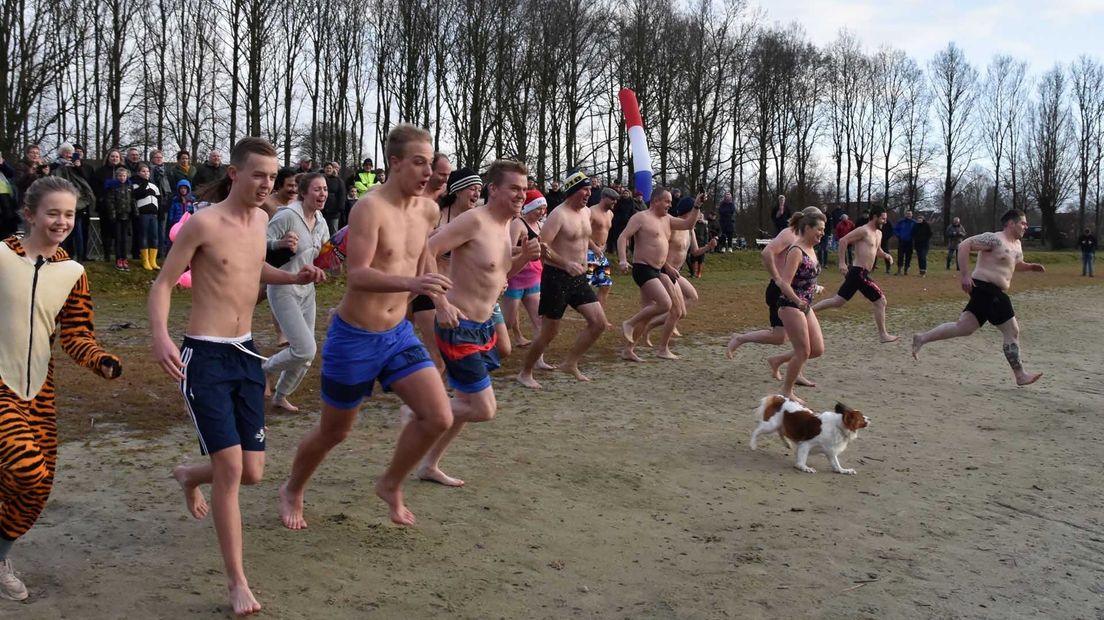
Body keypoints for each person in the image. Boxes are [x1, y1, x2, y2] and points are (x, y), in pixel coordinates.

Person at [149, 137, 325, 617]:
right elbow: (163, 283)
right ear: (235, 173)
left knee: (252, 472)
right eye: (258, 175)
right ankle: (237, 583)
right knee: (230, 470)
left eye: (272, 177)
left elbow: (252, 269)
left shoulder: (262, 220)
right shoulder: (204, 223)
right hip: (204, 356)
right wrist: (162, 337)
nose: (267, 184)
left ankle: (189, 474)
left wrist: (293, 277)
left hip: (246, 353)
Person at [278, 124, 454, 533]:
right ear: (394, 163)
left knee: (438, 416)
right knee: (334, 431)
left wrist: (439, 296)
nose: (427, 172)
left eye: (430, 162)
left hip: (397, 335)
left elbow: (422, 253)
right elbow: (356, 274)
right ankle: (293, 488)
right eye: (418, 162)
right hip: (355, 336)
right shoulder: (369, 208)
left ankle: (390, 484)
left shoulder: (428, 210)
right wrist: (414, 285)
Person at [0, 177, 122, 602]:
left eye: (69, 214)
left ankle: (0, 559)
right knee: (24, 467)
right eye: (53, 213)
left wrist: (99, 360)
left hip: (38, 391)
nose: (61, 221)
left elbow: (76, 334)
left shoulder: (74, 272)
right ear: (29, 214)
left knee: (38, 485)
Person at [419, 159, 540, 486]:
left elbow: (498, 277)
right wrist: (440, 302)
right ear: (493, 189)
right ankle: (424, 412)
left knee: (468, 400)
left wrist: (524, 259)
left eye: (524, 188)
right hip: (458, 326)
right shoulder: (474, 220)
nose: (521, 194)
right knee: (483, 409)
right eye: (514, 188)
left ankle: (430, 463)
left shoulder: (506, 226)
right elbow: (427, 250)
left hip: (483, 325)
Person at [911, 209, 1045, 386]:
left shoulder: (1017, 245)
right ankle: (1020, 374)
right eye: (1023, 223)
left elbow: (1015, 264)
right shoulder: (994, 239)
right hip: (985, 288)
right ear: (1011, 223)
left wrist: (1031, 267)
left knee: (964, 327)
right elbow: (964, 245)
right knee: (1011, 330)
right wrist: (965, 275)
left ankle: (921, 338)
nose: (1026, 226)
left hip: (992, 291)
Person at [516, 171, 608, 388]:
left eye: (589, 189)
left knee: (598, 323)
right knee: (550, 332)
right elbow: (541, 247)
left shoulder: (585, 212)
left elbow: (584, 237)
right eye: (584, 190)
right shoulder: (558, 215)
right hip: (556, 277)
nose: (588, 193)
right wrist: (565, 263)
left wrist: (595, 248)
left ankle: (570, 363)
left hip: (578, 278)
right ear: (573, 191)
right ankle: (525, 372)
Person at [726, 207, 823, 387]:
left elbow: (804, 272)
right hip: (782, 291)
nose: (822, 231)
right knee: (783, 338)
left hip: (796, 292)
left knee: (790, 340)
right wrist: (777, 278)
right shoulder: (790, 234)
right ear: (808, 222)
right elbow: (766, 252)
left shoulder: (808, 244)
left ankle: (789, 368)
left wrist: (813, 285)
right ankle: (741, 339)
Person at [263, 173, 331, 412]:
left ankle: (281, 396)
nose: (322, 194)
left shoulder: (321, 221)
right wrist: (278, 244)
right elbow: (258, 244)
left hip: (307, 291)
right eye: (317, 189)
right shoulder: (287, 216)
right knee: (304, 349)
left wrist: (331, 261)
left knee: (307, 354)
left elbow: (322, 255)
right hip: (282, 288)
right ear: (303, 193)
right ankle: (263, 371)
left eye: (324, 189)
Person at [616, 188, 700, 362]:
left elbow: (688, 225)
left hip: (658, 270)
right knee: (665, 304)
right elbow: (623, 237)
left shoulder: (667, 220)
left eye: (670, 202)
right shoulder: (641, 217)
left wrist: (697, 206)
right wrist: (623, 260)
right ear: (655, 201)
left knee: (648, 312)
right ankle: (629, 323)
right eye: (667, 201)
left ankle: (628, 350)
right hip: (643, 268)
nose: (670, 205)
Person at [412, 167, 482, 374]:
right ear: (458, 190)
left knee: (496, 349)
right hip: (431, 289)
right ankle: (423, 404)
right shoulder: (437, 214)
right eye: (472, 188)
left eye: (480, 189)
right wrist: (436, 235)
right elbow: (417, 249)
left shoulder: (475, 219)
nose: (477, 194)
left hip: (460, 291)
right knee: (440, 357)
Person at [637, 195, 716, 358]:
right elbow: (660, 251)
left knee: (692, 299)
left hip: (676, 273)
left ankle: (650, 326)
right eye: (697, 210)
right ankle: (662, 347)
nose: (700, 214)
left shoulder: (690, 229)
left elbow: (694, 252)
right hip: (664, 271)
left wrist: (708, 247)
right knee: (676, 311)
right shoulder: (672, 226)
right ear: (688, 211)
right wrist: (666, 267)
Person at [812, 206, 899, 343]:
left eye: (886, 219)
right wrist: (842, 263)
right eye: (883, 218)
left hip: (860, 273)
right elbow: (843, 241)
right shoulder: (863, 230)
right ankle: (883, 335)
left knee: (837, 301)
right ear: (874, 217)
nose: (885, 221)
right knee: (880, 301)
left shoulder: (878, 234)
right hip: (858, 272)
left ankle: (807, 312)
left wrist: (886, 255)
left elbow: (877, 250)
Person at [767, 209, 826, 403]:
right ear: (807, 228)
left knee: (817, 349)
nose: (822, 234)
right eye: (819, 229)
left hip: (805, 305)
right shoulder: (796, 250)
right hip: (790, 305)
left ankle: (777, 360)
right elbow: (785, 283)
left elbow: (806, 277)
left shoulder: (811, 248)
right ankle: (787, 391)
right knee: (803, 351)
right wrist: (797, 300)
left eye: (823, 230)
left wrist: (814, 288)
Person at [503, 190, 546, 347]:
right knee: (506, 322)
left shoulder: (540, 225)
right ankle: (484, 346)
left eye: (543, 209)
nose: (541, 212)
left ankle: (538, 361)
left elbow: (541, 250)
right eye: (538, 209)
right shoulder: (518, 224)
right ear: (528, 207)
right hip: (516, 278)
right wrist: (525, 250)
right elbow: (507, 250)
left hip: (534, 278)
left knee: (539, 321)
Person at [51, 144, 95, 262]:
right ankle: (64, 255)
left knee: (78, 230)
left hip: (78, 203)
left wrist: (78, 167)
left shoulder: (78, 166)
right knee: (63, 232)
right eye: (66, 152)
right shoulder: (55, 166)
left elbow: (85, 181)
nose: (68, 154)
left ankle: (80, 257)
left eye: (70, 152)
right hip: (61, 202)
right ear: (61, 153)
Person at [587, 187, 618, 314]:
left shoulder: (611, 214)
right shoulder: (591, 212)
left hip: (600, 255)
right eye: (612, 199)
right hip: (588, 254)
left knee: (606, 284)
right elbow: (583, 233)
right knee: (582, 286)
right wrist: (594, 247)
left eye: (616, 200)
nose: (614, 202)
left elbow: (604, 232)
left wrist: (603, 247)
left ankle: (599, 316)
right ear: (604, 198)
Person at [132, 163, 162, 270]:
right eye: (143, 171)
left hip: (153, 214)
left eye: (147, 171)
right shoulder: (135, 184)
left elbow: (159, 198)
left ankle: (152, 260)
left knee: (154, 236)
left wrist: (160, 212)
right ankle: (145, 260)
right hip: (143, 214)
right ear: (138, 173)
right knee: (143, 236)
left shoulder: (154, 185)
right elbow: (138, 194)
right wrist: (144, 184)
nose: (146, 173)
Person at [105, 167, 134, 271]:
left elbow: (132, 200)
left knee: (125, 239)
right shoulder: (113, 187)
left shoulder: (129, 186)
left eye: (124, 176)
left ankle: (124, 258)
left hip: (127, 216)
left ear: (127, 176)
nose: (122, 178)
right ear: (117, 177)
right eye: (120, 176)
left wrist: (135, 212)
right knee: (118, 239)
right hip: (117, 216)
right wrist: (112, 214)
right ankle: (118, 259)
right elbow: (110, 201)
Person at [166, 179, 195, 250]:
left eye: (185, 188)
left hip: (189, 224)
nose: (183, 190)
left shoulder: (192, 200)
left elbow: (195, 212)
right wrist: (171, 222)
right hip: (177, 224)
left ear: (188, 189)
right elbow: (172, 212)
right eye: (181, 188)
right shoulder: (175, 200)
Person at [321, 162, 346, 234]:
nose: (328, 170)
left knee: (333, 231)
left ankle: (332, 245)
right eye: (327, 168)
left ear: (333, 169)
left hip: (334, 211)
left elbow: (342, 194)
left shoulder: (338, 180)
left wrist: (340, 207)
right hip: (322, 210)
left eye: (330, 168)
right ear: (324, 169)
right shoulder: (320, 178)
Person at [689, 209, 710, 277]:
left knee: (701, 259)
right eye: (699, 216)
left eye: (701, 216)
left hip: (702, 243)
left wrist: (706, 243)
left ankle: (699, 273)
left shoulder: (704, 225)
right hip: (694, 242)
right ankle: (693, 273)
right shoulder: (694, 223)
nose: (700, 217)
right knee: (693, 258)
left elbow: (706, 234)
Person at [894, 210, 915, 275]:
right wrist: (899, 235)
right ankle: (899, 270)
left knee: (909, 256)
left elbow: (918, 231)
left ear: (912, 215)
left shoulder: (914, 223)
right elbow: (895, 229)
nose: (908, 215)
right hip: (902, 241)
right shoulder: (901, 222)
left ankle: (906, 270)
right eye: (907, 214)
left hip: (910, 241)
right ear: (905, 215)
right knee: (900, 255)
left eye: (910, 214)